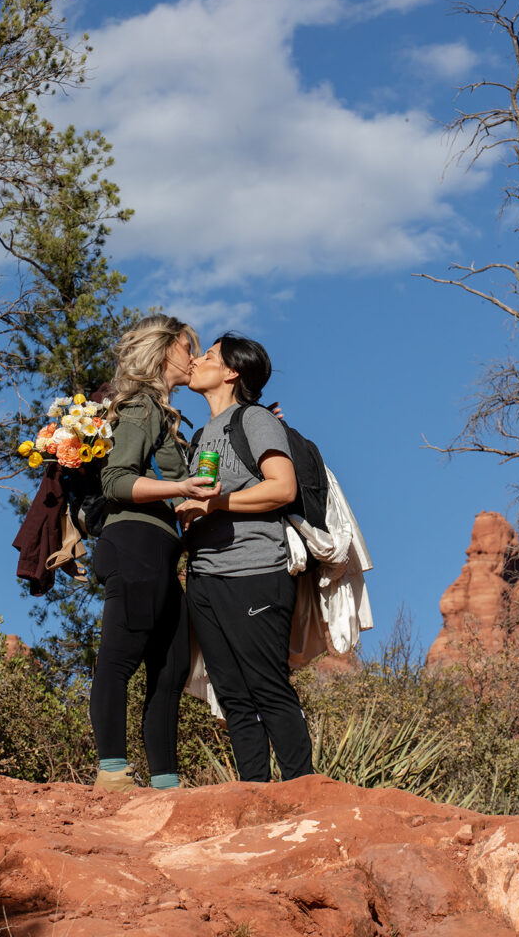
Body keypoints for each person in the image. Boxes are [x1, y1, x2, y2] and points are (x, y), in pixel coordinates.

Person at [90, 314, 220, 792]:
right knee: (120, 658)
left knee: (171, 667)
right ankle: (112, 773)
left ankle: (166, 783)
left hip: (162, 550)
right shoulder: (141, 406)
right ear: (166, 350)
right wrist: (179, 485)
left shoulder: (166, 414)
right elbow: (116, 480)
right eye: (190, 346)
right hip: (135, 543)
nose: (195, 356)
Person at [177, 334, 313, 783]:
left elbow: (282, 488)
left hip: (254, 571)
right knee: (233, 695)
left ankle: (302, 791)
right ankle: (254, 795)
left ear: (233, 372)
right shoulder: (201, 436)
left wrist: (215, 506)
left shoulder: (253, 419)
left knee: (268, 687)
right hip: (205, 579)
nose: (197, 361)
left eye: (209, 356)